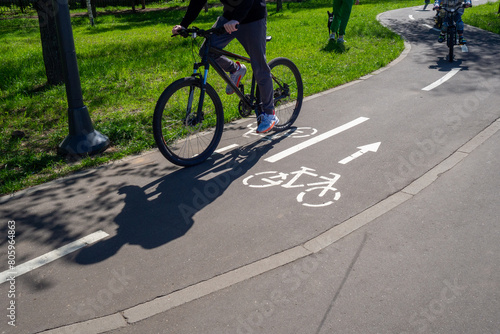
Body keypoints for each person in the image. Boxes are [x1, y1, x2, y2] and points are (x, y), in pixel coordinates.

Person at [172, 0, 278, 134]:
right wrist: (183, 25)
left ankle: (269, 113)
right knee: (206, 51)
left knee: (259, 66)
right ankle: (236, 69)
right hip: (229, 19)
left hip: (253, 18)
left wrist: (236, 19)